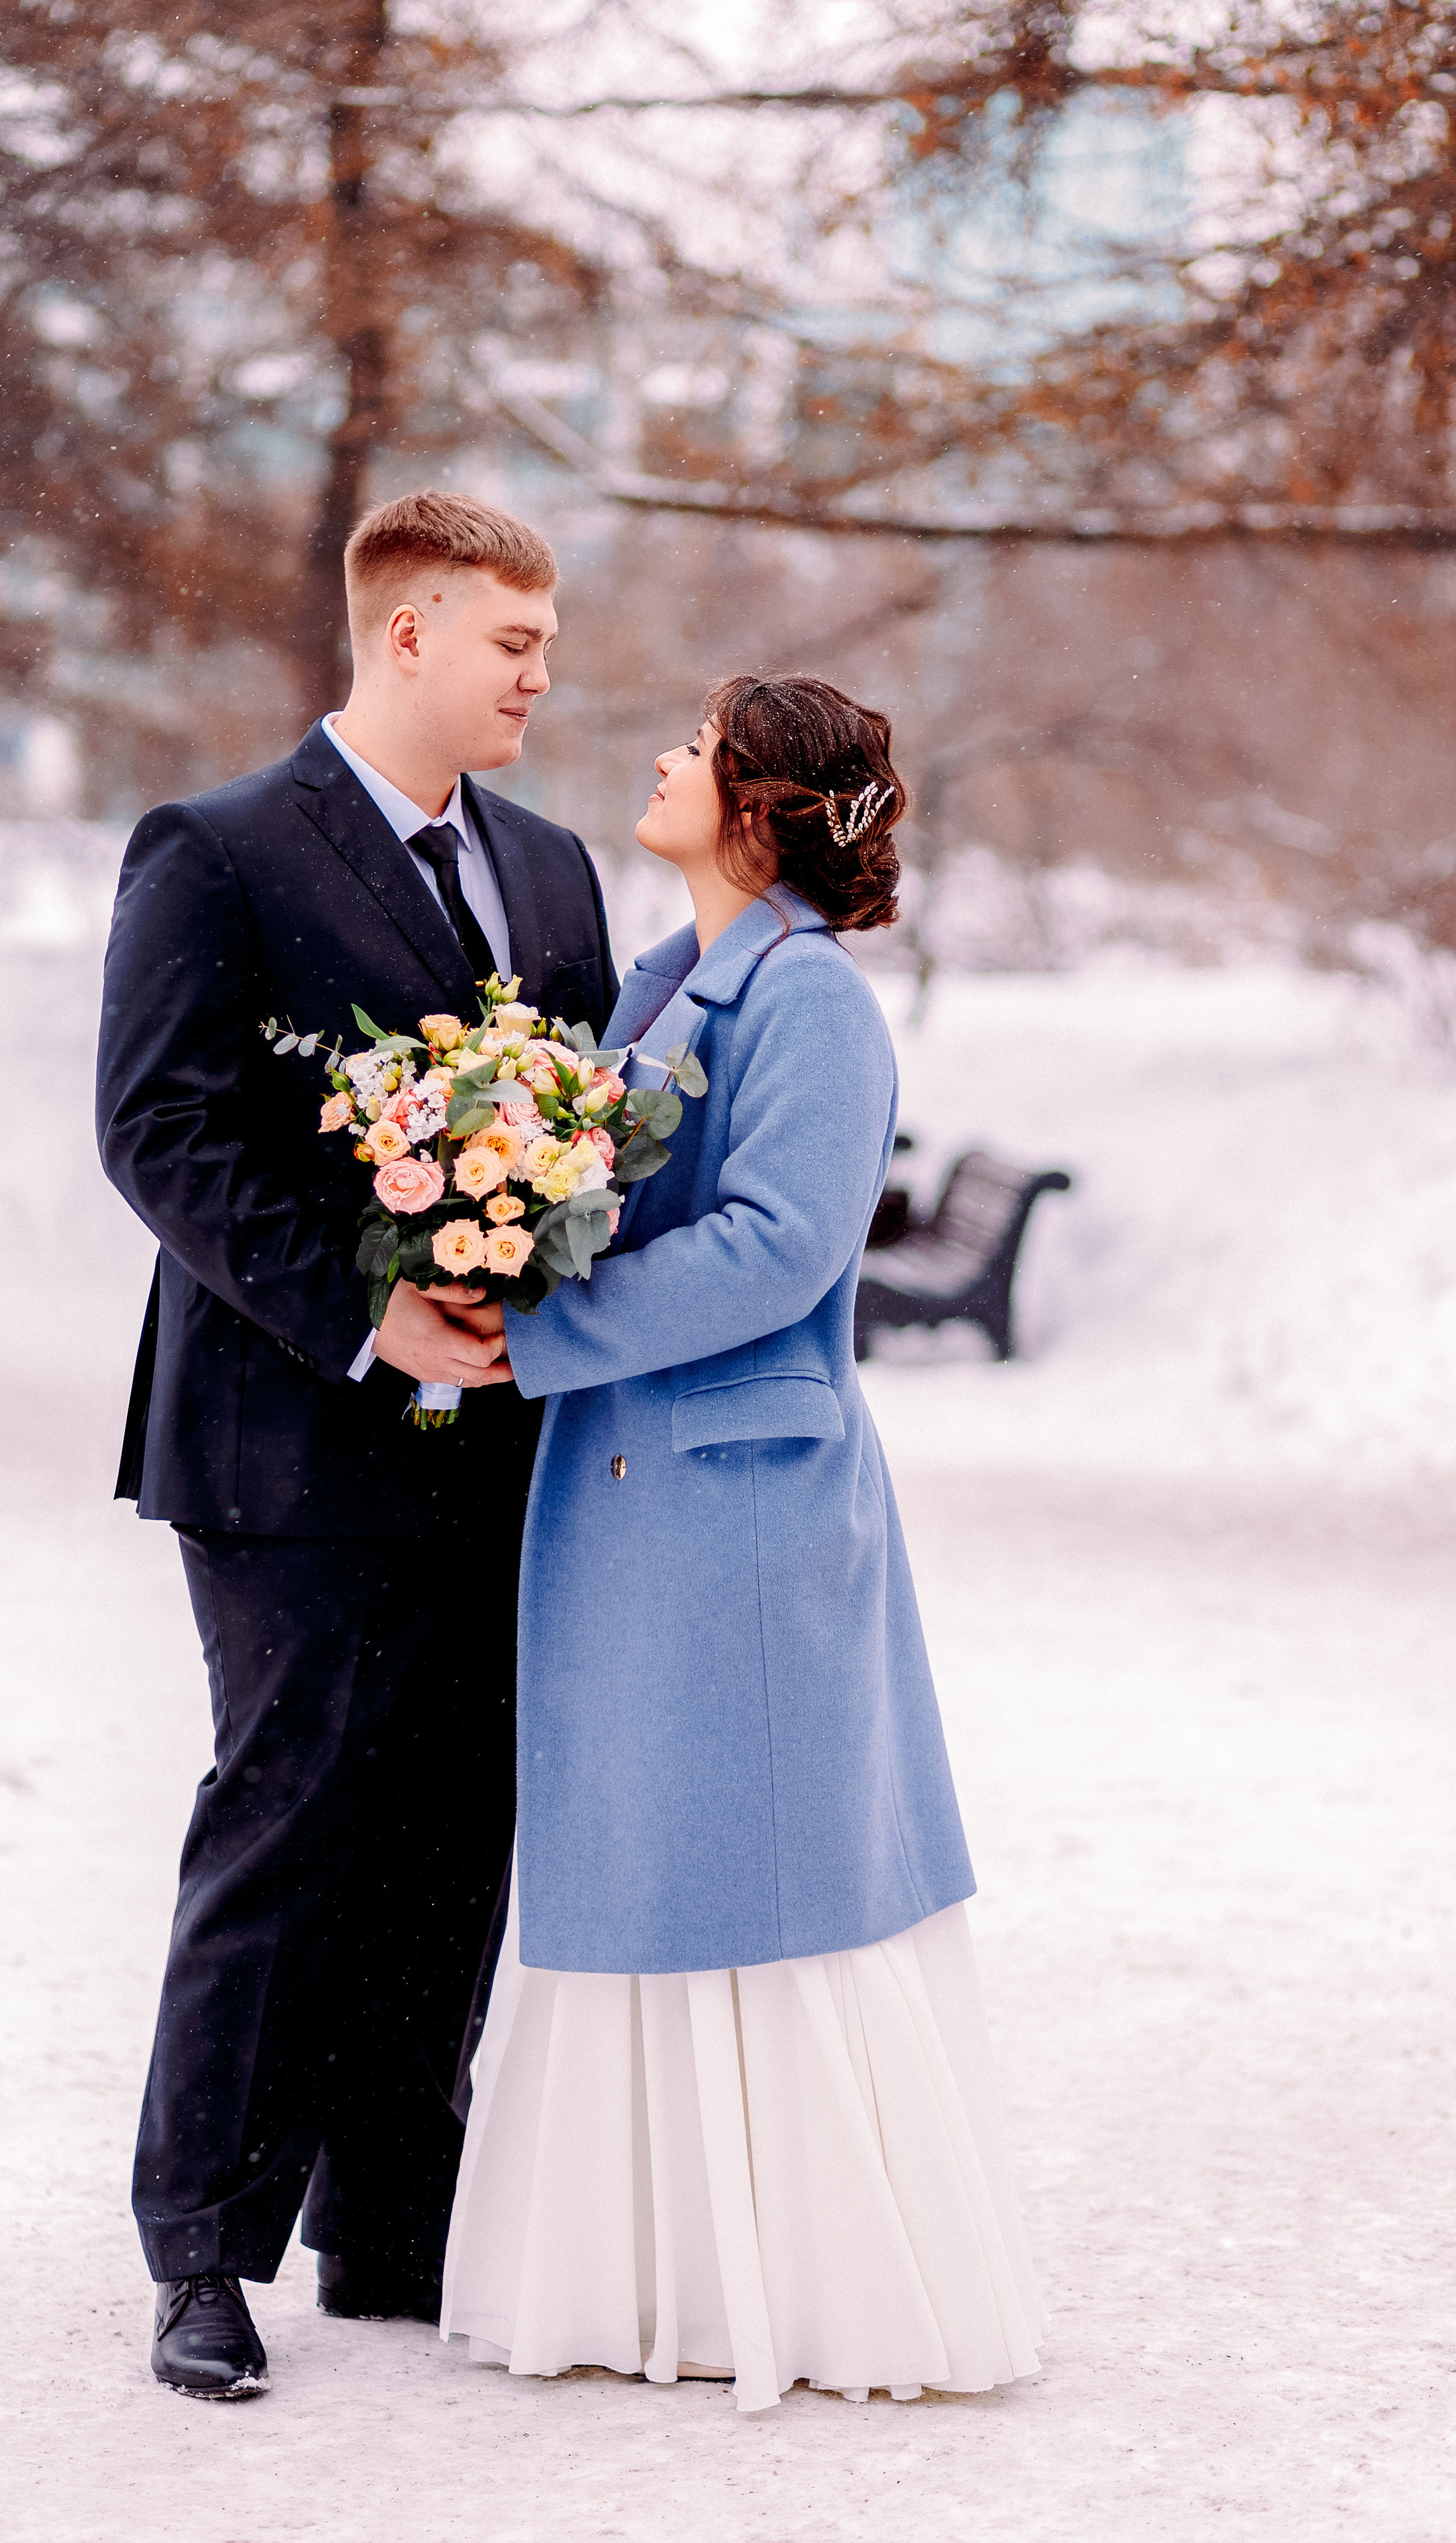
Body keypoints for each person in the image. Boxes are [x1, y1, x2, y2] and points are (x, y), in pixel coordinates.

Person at [440, 675, 1043, 2411]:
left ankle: (807, 2292)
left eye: (697, 748)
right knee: (647, 1861)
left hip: (740, 1505)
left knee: (754, 1876)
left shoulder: (814, 1005)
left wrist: (532, 1336)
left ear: (763, 805)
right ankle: (661, 2278)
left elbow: (784, 1249)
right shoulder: (671, 981)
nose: (661, 759)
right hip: (639, 1493)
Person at [96, 489, 617, 2397]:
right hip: (278, 1440)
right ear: (408, 634)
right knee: (289, 1811)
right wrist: (358, 1302)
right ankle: (202, 2252)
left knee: (449, 1830)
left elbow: (581, 1126)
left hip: (492, 1446)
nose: (540, 681)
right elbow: (160, 1131)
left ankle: (396, 2226)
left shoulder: (555, 869)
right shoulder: (219, 851)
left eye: (545, 649)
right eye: (512, 647)